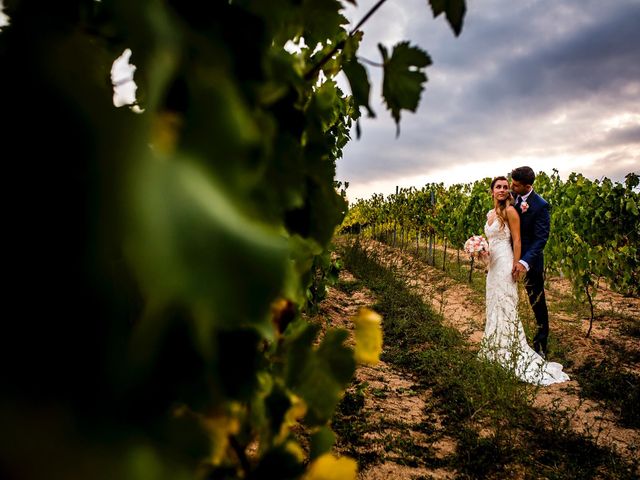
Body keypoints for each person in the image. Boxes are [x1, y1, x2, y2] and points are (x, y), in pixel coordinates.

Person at [479, 176, 569, 385]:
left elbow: (517, 239)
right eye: (498, 187)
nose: (502, 189)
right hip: (493, 265)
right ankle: (493, 348)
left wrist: (517, 265)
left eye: (505, 186)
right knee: (493, 304)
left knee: (506, 304)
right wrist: (481, 252)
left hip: (506, 264)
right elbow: (492, 242)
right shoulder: (490, 214)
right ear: (492, 191)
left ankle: (509, 350)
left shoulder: (511, 211)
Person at [509, 166, 551, 358]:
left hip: (530, 262)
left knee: (537, 302)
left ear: (527, 186)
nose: (511, 186)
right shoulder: (510, 196)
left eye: (516, 185)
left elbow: (541, 239)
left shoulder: (541, 205)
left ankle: (541, 342)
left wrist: (524, 262)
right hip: (507, 257)